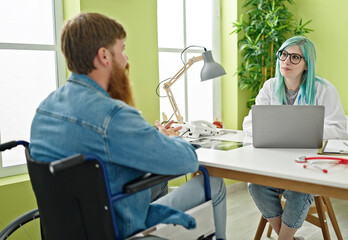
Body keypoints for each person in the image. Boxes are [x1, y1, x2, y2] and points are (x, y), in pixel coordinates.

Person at [29, 12, 226, 240]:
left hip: (73, 228)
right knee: (214, 182)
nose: (125, 60)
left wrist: (151, 138)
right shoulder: (113, 115)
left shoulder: (45, 108)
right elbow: (187, 161)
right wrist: (170, 141)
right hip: (120, 228)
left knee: (158, 186)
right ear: (104, 56)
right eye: (121, 50)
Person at [242, 36, 346, 240]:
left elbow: (339, 128)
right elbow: (250, 123)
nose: (286, 61)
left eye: (295, 57)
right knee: (255, 185)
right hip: (275, 164)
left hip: (308, 166)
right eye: (283, 54)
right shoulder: (270, 87)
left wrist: (305, 129)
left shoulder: (324, 89)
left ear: (307, 64)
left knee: (301, 190)